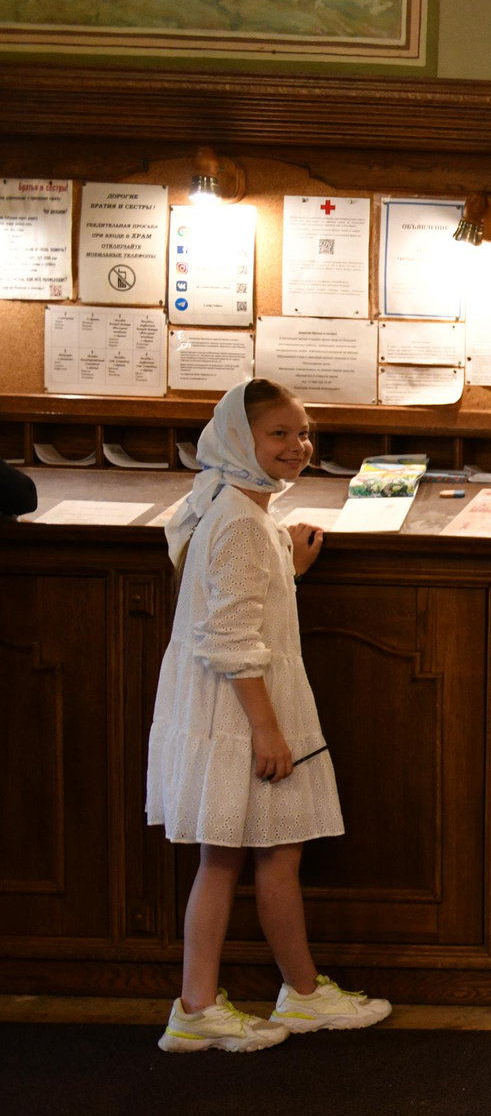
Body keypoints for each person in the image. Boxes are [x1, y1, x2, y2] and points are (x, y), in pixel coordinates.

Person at [146, 380, 390, 1052]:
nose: (298, 445)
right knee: (271, 854)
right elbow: (230, 639)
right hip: (241, 713)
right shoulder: (241, 524)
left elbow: (240, 603)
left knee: (229, 857)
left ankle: (213, 1002)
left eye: (303, 432)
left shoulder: (235, 513)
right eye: (279, 433)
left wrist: (291, 566)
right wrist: (266, 728)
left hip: (233, 709)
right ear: (238, 440)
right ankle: (285, 997)